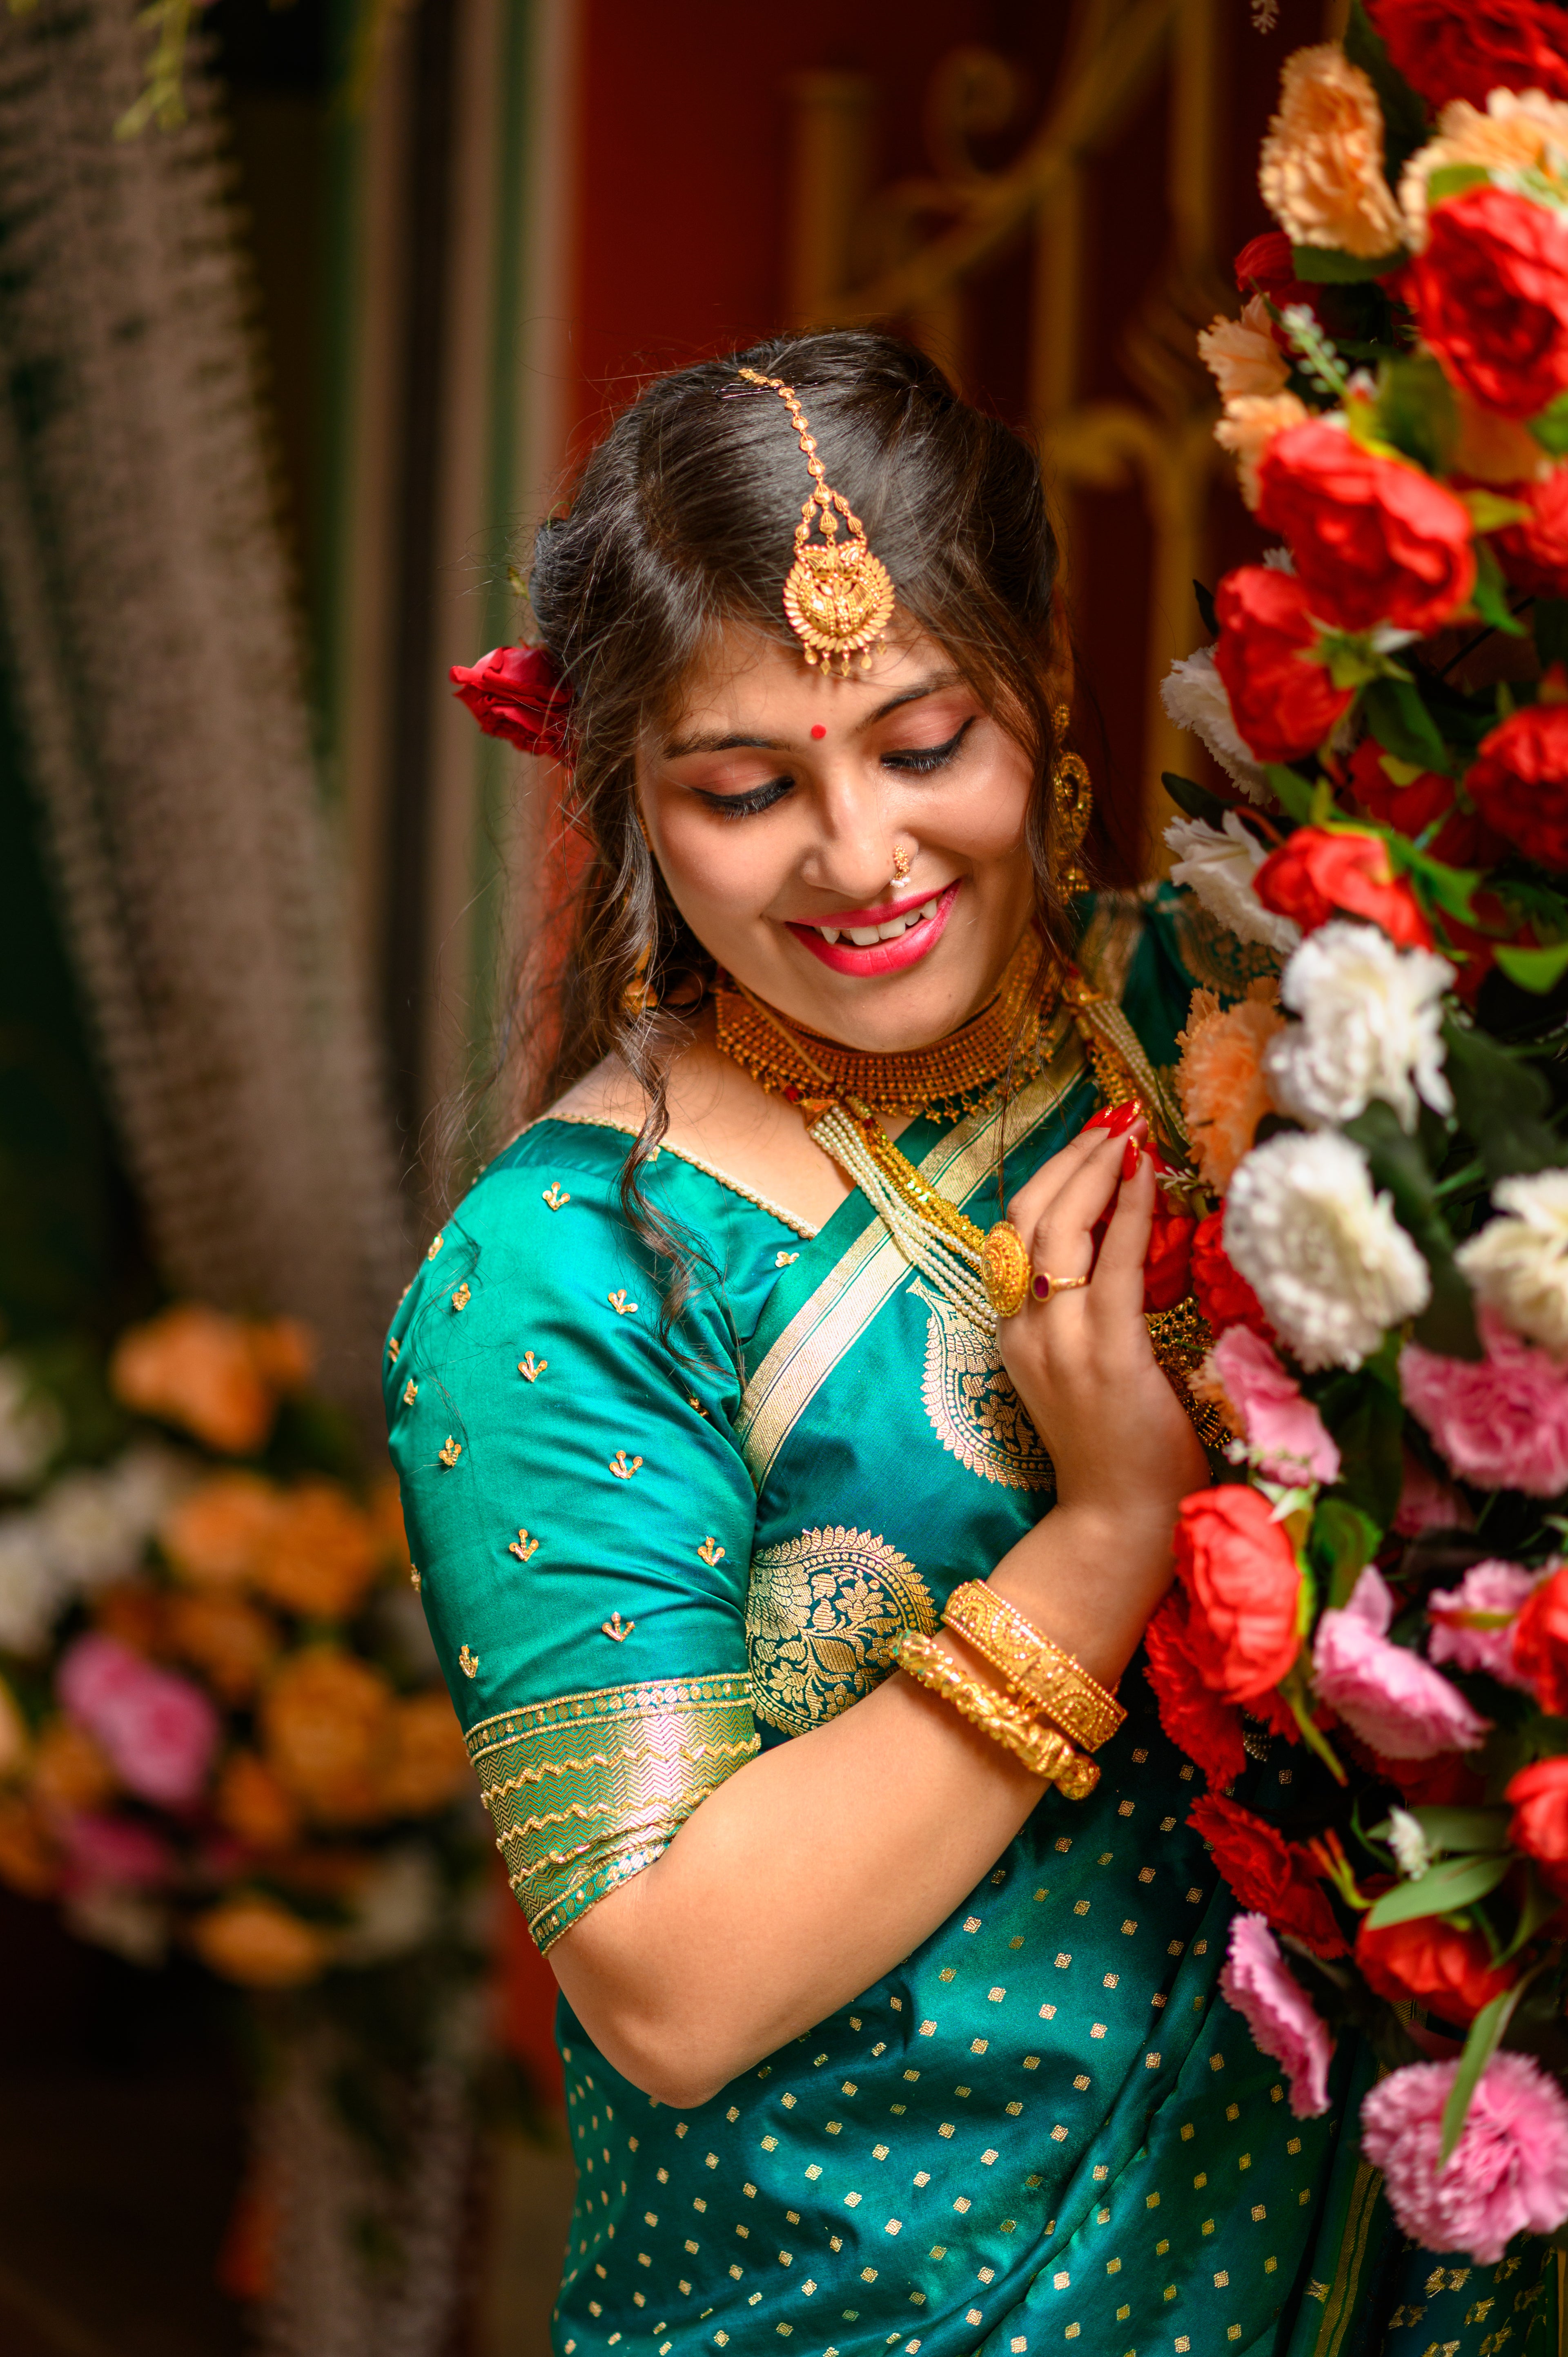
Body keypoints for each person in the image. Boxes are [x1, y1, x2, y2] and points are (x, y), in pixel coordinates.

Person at [386, 333, 1524, 2357]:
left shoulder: (1242, 1002)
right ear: (633, 797)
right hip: (867, 2299)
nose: (859, 857)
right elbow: (669, 1983)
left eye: (928, 747)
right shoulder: (564, 1274)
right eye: (746, 789)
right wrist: (1099, 1547)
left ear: (1043, 693)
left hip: (1370, 2246)